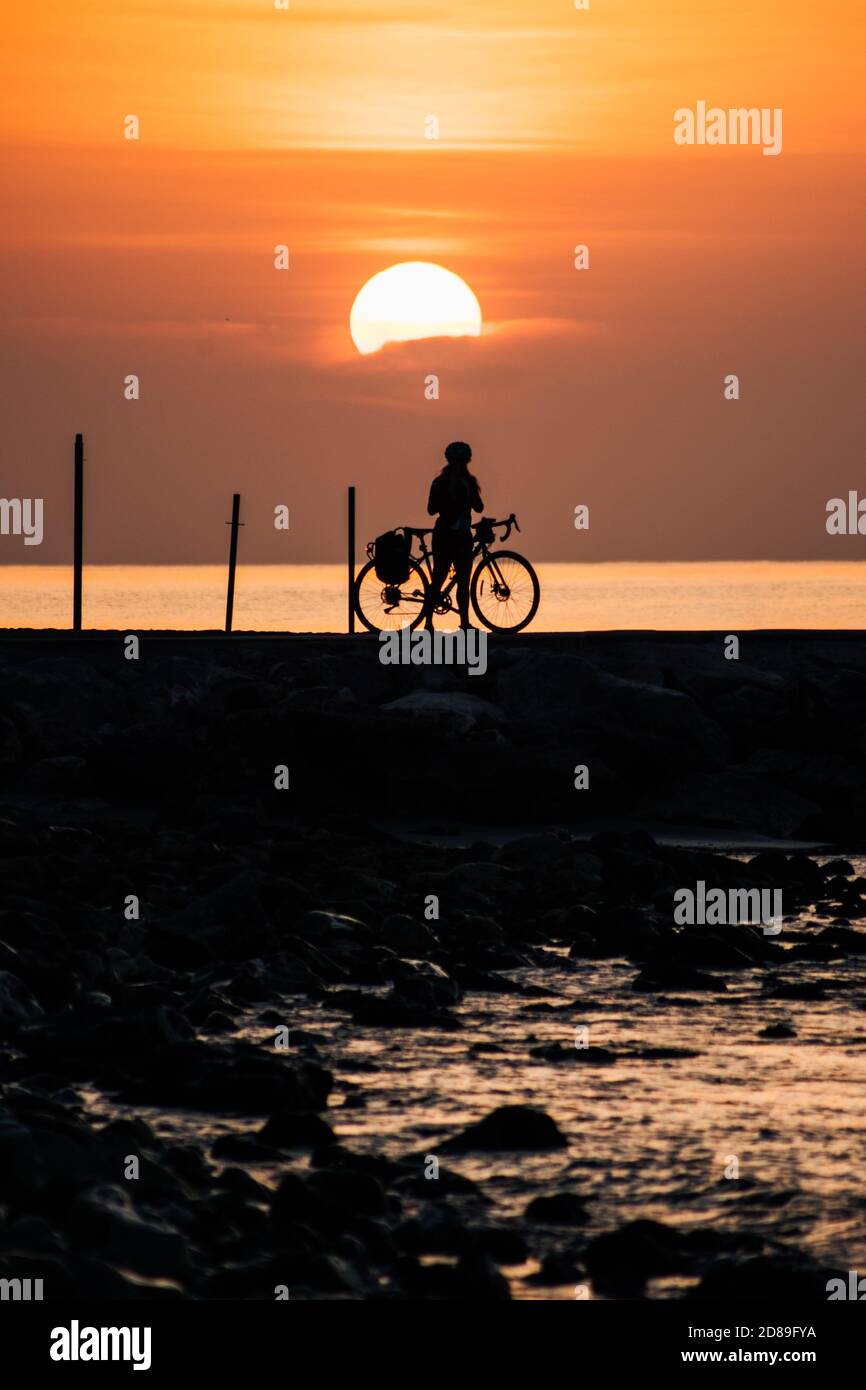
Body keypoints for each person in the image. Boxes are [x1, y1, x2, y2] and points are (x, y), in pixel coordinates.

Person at [423, 441, 483, 630]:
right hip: (454, 536)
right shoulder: (464, 482)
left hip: (448, 535)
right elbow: (479, 507)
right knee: (456, 580)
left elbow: (431, 510)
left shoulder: (441, 481)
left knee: (446, 580)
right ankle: (457, 622)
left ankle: (432, 623)